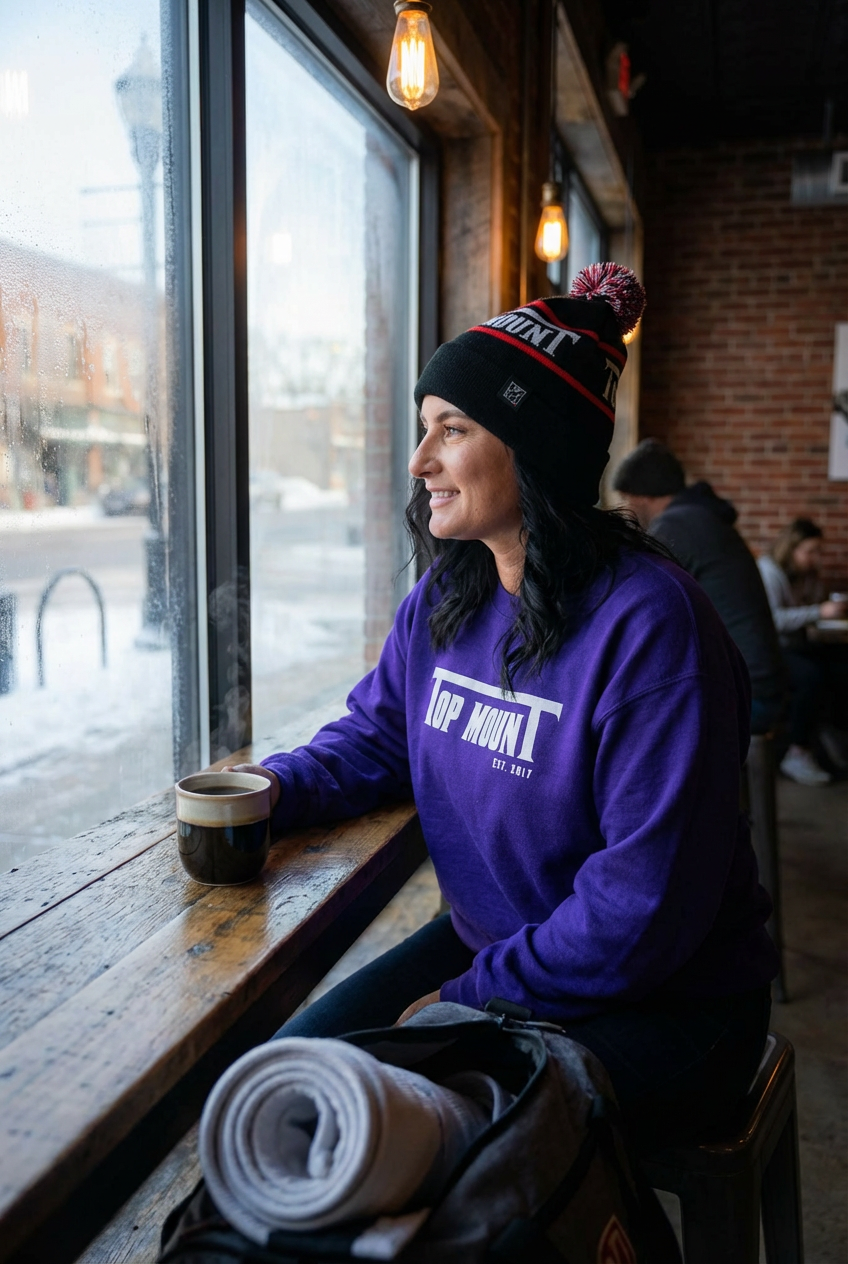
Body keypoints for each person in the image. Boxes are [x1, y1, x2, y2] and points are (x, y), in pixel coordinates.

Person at [230, 264, 777, 1152]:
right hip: (503, 948)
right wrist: (267, 791)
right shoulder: (449, 597)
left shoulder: (654, 626)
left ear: (536, 447)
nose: (421, 462)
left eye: (452, 429)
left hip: (673, 1002)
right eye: (424, 429)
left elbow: (640, 907)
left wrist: (470, 1003)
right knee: (286, 1085)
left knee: (398, 1151)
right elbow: (377, 736)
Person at [611, 439, 786, 736]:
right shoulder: (702, 517)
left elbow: (631, 600)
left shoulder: (676, 526)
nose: (626, 508)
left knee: (625, 716)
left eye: (626, 498)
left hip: (746, 695)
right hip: (761, 683)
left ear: (642, 496)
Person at [758, 519, 848, 785]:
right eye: (811, 551)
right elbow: (773, 620)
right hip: (770, 647)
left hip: (796, 643)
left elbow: (808, 613)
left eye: (819, 551)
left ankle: (831, 732)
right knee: (811, 676)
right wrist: (819, 612)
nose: (816, 557)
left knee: (842, 662)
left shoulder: (806, 575)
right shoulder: (768, 572)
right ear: (791, 548)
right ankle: (797, 751)